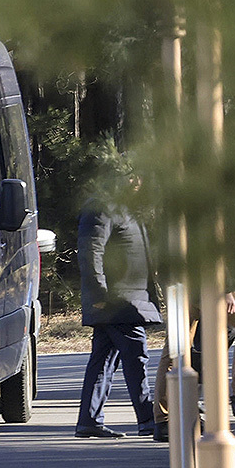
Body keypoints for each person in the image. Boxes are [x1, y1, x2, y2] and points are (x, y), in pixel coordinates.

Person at [74, 176, 160, 439]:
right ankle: (148, 419)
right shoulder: (101, 207)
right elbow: (90, 251)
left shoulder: (126, 208)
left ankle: (89, 420)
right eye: (130, 175)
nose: (137, 181)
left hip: (128, 299)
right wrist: (99, 293)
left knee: (103, 360)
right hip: (117, 301)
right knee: (136, 356)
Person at [152, 292, 235, 441]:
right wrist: (225, 290)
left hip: (180, 286)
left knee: (176, 348)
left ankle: (164, 420)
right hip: (206, 285)